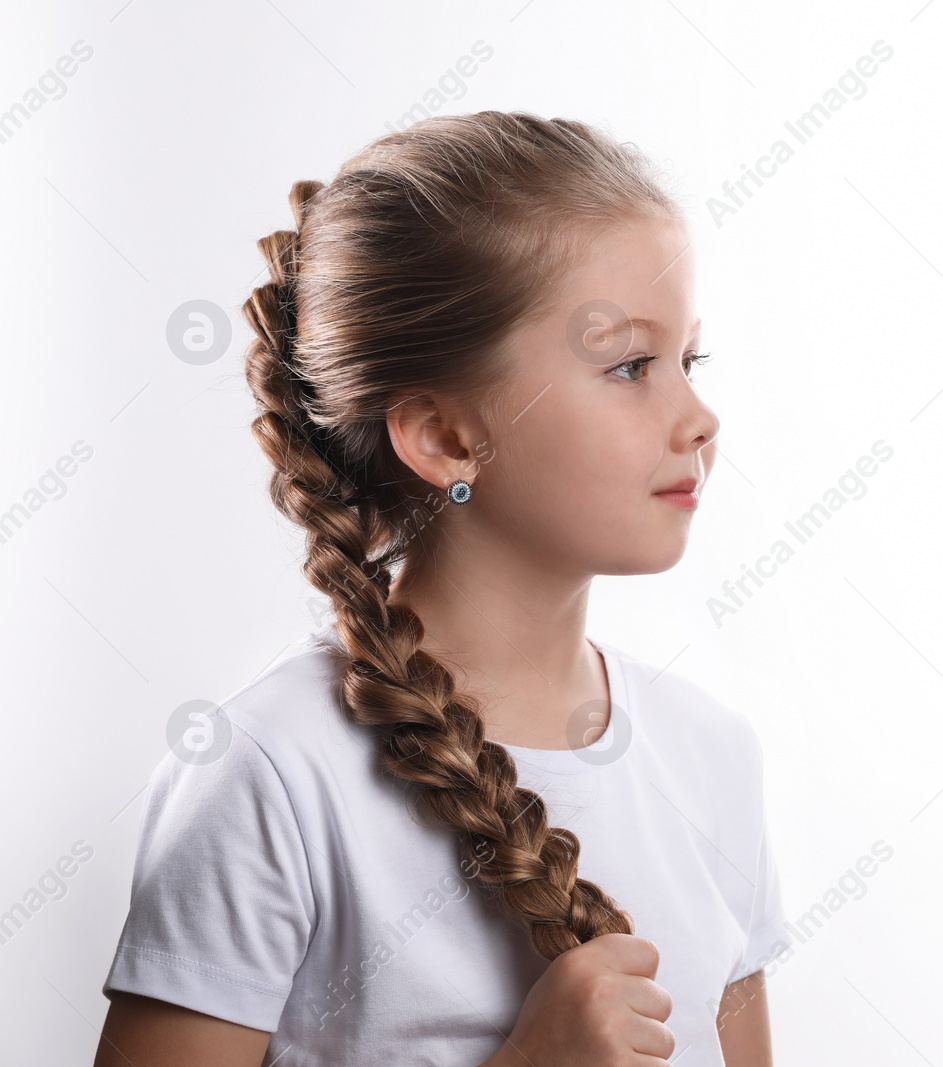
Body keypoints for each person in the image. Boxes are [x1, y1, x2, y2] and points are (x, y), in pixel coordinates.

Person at [94, 111, 791, 1067]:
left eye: (689, 360)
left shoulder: (712, 757)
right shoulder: (269, 772)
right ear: (445, 437)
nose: (699, 416)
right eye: (630, 365)